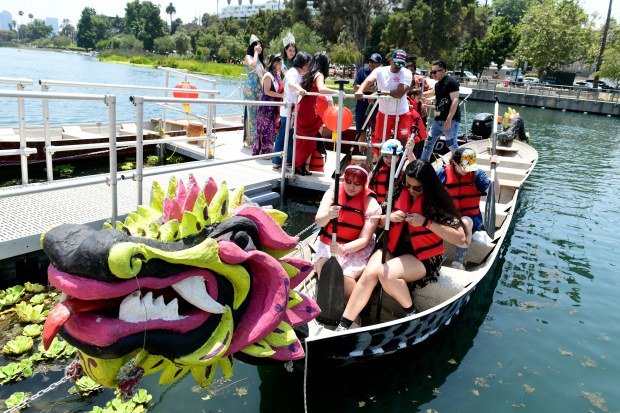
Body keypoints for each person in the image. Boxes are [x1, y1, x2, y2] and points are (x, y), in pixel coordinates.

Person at [336, 160, 469, 331]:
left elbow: (460, 238)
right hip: (391, 246)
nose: (411, 190)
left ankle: (411, 312)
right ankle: (344, 324)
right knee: (369, 275)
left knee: (386, 274)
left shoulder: (438, 200)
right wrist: (390, 217)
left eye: (417, 188)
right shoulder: (399, 190)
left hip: (422, 257)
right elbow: (378, 220)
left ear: (427, 185)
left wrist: (426, 223)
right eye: (408, 184)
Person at [314, 165, 381, 300]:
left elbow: (364, 240)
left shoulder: (371, 203)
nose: (351, 187)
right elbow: (320, 222)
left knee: (346, 278)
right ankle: (327, 300)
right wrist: (328, 215)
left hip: (354, 248)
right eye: (348, 182)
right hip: (330, 243)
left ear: (364, 184)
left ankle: (352, 313)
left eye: (357, 184)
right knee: (323, 265)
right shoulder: (333, 193)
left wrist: (343, 249)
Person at [437, 147, 499, 269]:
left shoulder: (477, 174)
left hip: (470, 217)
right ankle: (435, 255)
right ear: (454, 162)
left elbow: (495, 193)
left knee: (464, 223)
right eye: (464, 167)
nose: (467, 171)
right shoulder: (442, 173)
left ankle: (459, 261)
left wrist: (495, 170)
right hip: (448, 215)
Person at [355, 49, 413, 161]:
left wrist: (380, 92)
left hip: (401, 113)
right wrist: (360, 90)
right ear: (391, 60)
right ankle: (380, 166)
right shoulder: (380, 71)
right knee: (381, 142)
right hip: (384, 112)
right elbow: (368, 80)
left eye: (402, 63)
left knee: (402, 142)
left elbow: (400, 93)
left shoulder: (406, 72)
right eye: (397, 62)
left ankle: (399, 168)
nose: (399, 66)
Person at [295, 52, 337, 176]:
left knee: (303, 139)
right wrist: (338, 91)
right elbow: (321, 89)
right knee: (310, 138)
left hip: (302, 107)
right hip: (309, 109)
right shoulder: (319, 74)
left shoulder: (309, 74)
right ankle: (304, 167)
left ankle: (300, 166)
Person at [272, 51, 312, 171]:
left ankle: (288, 160)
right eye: (307, 64)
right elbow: (290, 84)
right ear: (302, 63)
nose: (308, 66)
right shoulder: (293, 72)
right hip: (288, 109)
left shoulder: (299, 73)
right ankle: (276, 161)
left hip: (294, 109)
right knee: (283, 135)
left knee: (291, 136)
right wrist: (301, 90)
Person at [421, 60, 461, 161]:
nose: (432, 74)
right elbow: (437, 99)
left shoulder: (451, 82)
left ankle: (463, 164)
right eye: (431, 72)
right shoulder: (437, 85)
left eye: (435, 72)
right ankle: (422, 164)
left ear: (443, 71)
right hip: (438, 119)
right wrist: (423, 98)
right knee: (428, 142)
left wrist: (449, 119)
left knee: (451, 145)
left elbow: (455, 100)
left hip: (450, 120)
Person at [254, 54, 284, 156]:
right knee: (264, 128)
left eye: (281, 63)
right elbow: (267, 91)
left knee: (271, 129)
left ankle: (268, 150)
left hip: (273, 106)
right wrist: (280, 95)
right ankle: (262, 151)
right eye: (279, 63)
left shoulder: (278, 75)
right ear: (274, 63)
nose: (280, 65)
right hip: (266, 106)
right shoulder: (268, 75)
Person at [368, 138, 413, 206]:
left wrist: (410, 153)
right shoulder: (377, 169)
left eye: (392, 156)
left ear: (400, 156)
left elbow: (414, 168)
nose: (388, 160)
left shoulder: (404, 166)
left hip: (395, 206)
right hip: (378, 205)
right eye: (385, 156)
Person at [243, 35, 264, 149]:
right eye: (257, 45)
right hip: (250, 90)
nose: (259, 47)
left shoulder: (260, 60)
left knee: (259, 114)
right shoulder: (248, 57)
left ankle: (257, 140)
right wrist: (256, 52)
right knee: (251, 114)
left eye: (260, 45)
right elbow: (253, 65)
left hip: (259, 90)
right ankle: (250, 141)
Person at [353, 53, 382, 138]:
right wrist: (369, 89)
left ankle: (374, 151)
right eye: (370, 61)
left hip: (376, 108)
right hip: (361, 107)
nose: (371, 64)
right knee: (361, 131)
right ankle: (360, 151)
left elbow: (385, 90)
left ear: (379, 64)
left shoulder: (382, 74)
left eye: (374, 62)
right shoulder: (362, 71)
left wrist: (374, 93)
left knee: (376, 132)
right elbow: (355, 86)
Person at [407, 89, 428, 159]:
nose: (419, 100)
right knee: (414, 152)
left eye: (420, 98)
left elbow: (423, 117)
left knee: (418, 153)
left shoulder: (419, 105)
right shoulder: (407, 104)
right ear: (412, 97)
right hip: (413, 134)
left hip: (419, 134)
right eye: (418, 98)